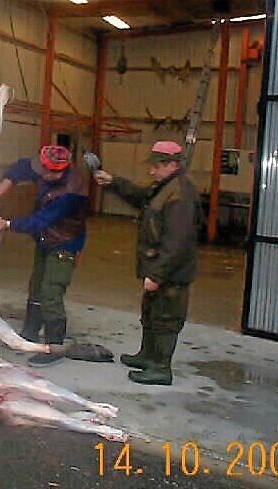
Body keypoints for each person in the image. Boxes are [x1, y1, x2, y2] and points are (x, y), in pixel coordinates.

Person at [92, 140, 199, 386]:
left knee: (165, 319)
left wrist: (158, 275)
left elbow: (177, 241)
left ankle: (161, 368)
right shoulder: (165, 186)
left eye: (156, 166)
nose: (151, 171)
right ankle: (147, 356)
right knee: (151, 313)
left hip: (171, 274)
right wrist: (114, 182)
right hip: (158, 266)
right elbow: (142, 197)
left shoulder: (180, 194)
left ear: (172, 165)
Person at [0, 145, 87, 367]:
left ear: (57, 173)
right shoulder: (47, 170)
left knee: (51, 293)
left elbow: (39, 221)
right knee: (36, 287)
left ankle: (54, 346)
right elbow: (23, 167)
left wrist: (7, 224)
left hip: (64, 244)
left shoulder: (71, 193)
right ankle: (29, 333)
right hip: (45, 240)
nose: (40, 174)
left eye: (45, 172)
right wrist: (6, 183)